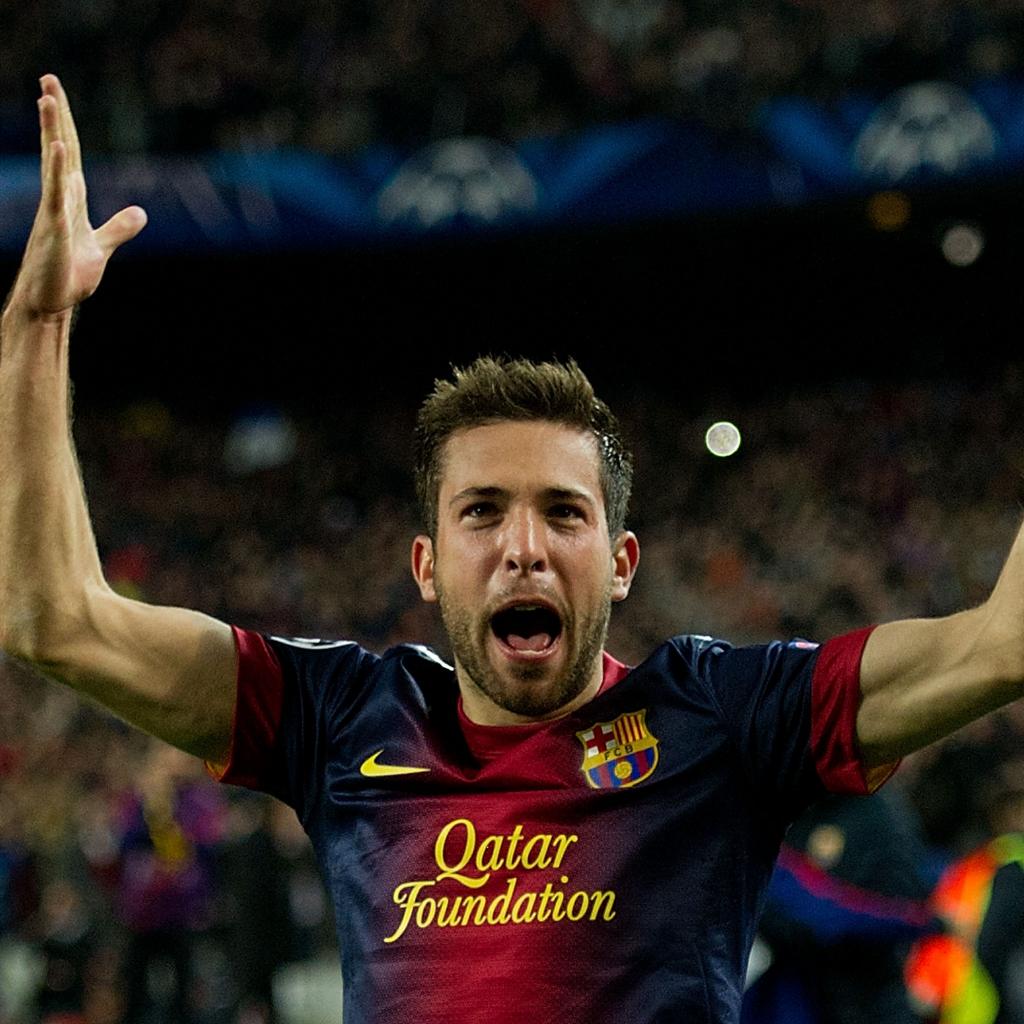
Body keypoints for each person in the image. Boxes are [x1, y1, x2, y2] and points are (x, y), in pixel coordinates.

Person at [2, 74, 1024, 1024]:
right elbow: (56, 620)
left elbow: (1002, 643)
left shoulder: (723, 717)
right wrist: (37, 323)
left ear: (622, 562)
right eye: (483, 511)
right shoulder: (335, 716)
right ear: (426, 564)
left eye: (564, 513)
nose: (523, 547)